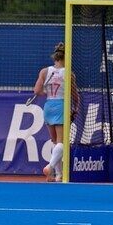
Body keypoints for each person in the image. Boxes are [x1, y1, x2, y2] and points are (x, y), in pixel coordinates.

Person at [34, 42, 79, 182]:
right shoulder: (68, 73)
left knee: (55, 142)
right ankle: (51, 166)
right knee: (62, 142)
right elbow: (74, 94)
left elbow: (36, 91)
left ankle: (58, 175)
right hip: (61, 105)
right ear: (66, 57)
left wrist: (46, 91)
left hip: (48, 105)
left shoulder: (44, 71)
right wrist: (75, 107)